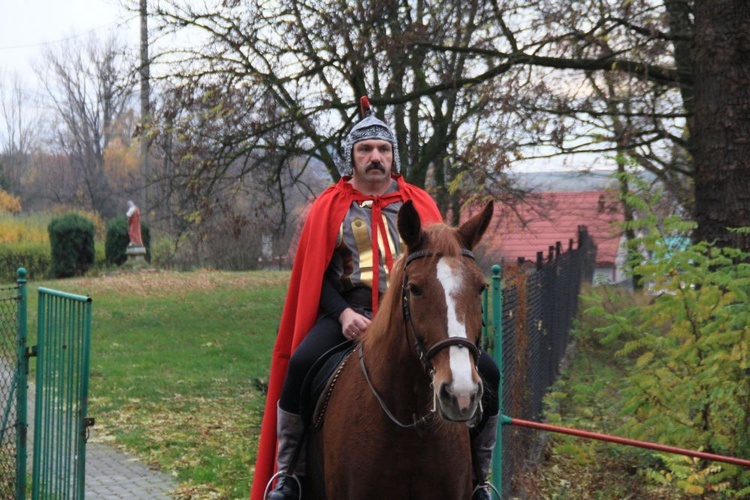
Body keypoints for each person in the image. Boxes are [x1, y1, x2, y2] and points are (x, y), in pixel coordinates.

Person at [251, 97, 500, 500]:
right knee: (299, 366)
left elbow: (443, 273)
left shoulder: (418, 204)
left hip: (412, 314)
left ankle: (479, 478)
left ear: (392, 156)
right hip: (350, 314)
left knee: (485, 371)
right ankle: (290, 476)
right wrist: (343, 312)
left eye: (383, 149)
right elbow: (315, 276)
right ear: (351, 157)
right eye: (365, 149)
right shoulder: (329, 206)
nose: (375, 157)